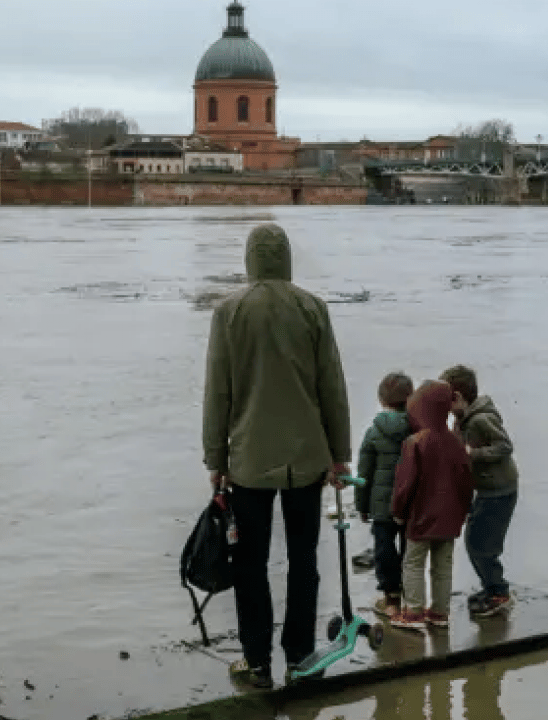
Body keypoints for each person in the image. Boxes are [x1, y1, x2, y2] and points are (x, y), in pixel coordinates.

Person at [202, 223, 352, 688]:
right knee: (304, 560)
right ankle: (301, 655)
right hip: (308, 457)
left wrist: (215, 458)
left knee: (251, 563)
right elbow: (332, 385)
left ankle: (257, 661)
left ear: (249, 260)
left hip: (249, 460)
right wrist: (340, 453)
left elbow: (218, 392)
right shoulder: (313, 308)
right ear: (287, 257)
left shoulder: (228, 312)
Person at [389, 380, 474, 630]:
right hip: (450, 517)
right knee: (443, 566)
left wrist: (398, 512)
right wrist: (465, 510)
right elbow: (466, 482)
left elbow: (405, 484)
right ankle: (439, 612)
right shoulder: (457, 443)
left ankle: (413, 612)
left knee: (413, 563)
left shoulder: (415, 442)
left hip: (421, 516)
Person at [440, 364, 520, 617]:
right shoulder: (462, 420)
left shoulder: (482, 418)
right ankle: (491, 587)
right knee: (475, 541)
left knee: (482, 545)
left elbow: (505, 446)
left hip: (499, 491)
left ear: (459, 397)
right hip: (485, 489)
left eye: (446, 400)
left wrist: (473, 454)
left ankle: (499, 592)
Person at [354, 371, 414, 617]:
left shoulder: (374, 433)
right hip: (411, 502)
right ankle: (413, 598)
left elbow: (363, 474)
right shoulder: (417, 430)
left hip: (382, 506)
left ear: (381, 400)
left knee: (384, 550)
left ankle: (390, 600)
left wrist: (362, 505)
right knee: (411, 551)